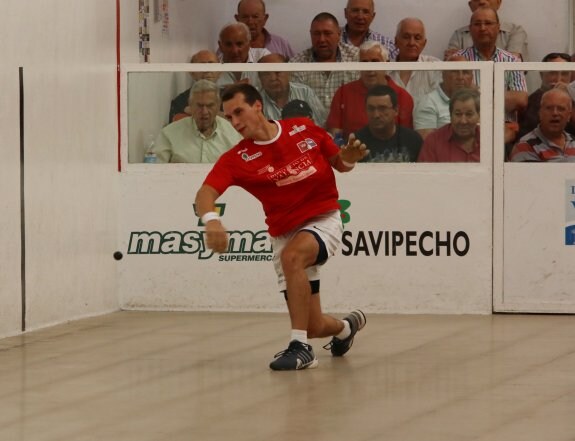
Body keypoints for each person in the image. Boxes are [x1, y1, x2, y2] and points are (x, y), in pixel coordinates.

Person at [194, 83, 368, 371]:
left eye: (239, 112)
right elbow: (205, 194)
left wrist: (348, 158)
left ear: (257, 106)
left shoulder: (304, 128)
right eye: (229, 118)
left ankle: (300, 348)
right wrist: (211, 221)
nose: (235, 123)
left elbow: (339, 162)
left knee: (293, 257)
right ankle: (346, 328)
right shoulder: (237, 158)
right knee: (313, 324)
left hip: (323, 220)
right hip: (284, 233)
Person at [455, 6, 527, 143]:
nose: (482, 28)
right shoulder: (458, 59)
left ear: (498, 28)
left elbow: (521, 99)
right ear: (470, 29)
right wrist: (501, 98)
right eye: (477, 24)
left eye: (488, 23)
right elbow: (454, 98)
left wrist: (475, 93)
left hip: (504, 132)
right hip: (466, 131)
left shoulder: (511, 60)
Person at [326, 40, 414, 141]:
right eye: (364, 62)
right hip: (352, 153)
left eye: (375, 62)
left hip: (390, 154)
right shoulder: (343, 93)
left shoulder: (402, 97)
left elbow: (406, 139)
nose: (370, 68)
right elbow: (335, 135)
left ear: (387, 64)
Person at [154, 80, 242, 163]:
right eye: (199, 106)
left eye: (210, 105)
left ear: (219, 105)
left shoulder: (234, 135)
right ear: (190, 104)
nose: (204, 112)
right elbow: (153, 171)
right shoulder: (169, 134)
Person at [290, 12, 359, 109]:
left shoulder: (356, 58)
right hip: (310, 122)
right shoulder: (297, 64)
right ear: (311, 35)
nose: (322, 39)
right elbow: (297, 107)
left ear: (338, 34)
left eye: (327, 33)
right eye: (317, 34)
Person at [355, 85, 423, 162]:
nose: (376, 115)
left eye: (382, 108)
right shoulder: (356, 143)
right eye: (371, 108)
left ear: (396, 110)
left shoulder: (412, 140)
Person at [414, 55, 475, 140]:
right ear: (443, 74)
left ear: (471, 77)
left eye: (465, 72)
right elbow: (429, 145)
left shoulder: (480, 100)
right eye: (454, 71)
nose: (460, 77)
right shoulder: (428, 103)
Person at [257, 53, 327, 126]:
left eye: (278, 72)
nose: (273, 78)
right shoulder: (256, 102)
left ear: (288, 72)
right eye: (266, 74)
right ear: (260, 78)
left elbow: (322, 125)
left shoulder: (305, 92)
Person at [445, 0, 528, 61]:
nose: (482, 1)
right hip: (466, 85)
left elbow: (512, 67)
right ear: (470, 5)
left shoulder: (515, 32)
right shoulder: (459, 35)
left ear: (498, 2)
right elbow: (452, 69)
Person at [518, 52, 574, 139]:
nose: (558, 79)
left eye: (565, 73)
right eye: (552, 73)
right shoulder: (531, 102)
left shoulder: (572, 99)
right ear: (541, 74)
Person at [510, 88, 575, 162]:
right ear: (540, 113)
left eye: (561, 108)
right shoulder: (525, 147)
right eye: (549, 108)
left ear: (569, 116)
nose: (555, 113)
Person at [418, 88, 481, 162]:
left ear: (478, 116)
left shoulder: (491, 141)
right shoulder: (434, 142)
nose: (463, 121)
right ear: (450, 115)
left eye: (469, 114)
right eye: (458, 114)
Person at [389, 18, 441, 103]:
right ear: (396, 41)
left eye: (417, 38)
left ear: (424, 43)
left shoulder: (435, 67)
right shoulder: (384, 69)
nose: (412, 43)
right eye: (406, 37)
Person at [168, 50, 221, 123]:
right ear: (192, 72)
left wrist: (192, 111)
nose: (207, 70)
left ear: (220, 71)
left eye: (211, 65)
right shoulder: (180, 101)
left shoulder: (229, 96)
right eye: (201, 66)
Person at [216, 22, 271, 88]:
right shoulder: (214, 67)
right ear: (220, 46)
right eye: (229, 45)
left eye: (239, 44)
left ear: (249, 43)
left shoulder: (262, 56)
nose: (235, 51)